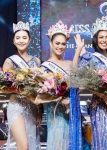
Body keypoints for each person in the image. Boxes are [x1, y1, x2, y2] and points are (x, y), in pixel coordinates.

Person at [36, 20, 84, 150]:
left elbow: (75, 78)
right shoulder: (44, 67)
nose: (60, 46)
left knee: (71, 142)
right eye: (57, 43)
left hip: (72, 110)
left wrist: (78, 49)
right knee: (57, 141)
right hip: (55, 111)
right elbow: (42, 93)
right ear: (51, 43)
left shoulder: (69, 63)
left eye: (63, 44)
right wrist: (58, 98)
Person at [79, 15, 107, 150]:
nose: (104, 40)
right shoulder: (89, 58)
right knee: (101, 143)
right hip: (99, 105)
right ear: (96, 39)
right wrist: (102, 95)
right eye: (101, 37)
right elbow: (82, 81)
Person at [3, 21, 41, 150]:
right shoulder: (9, 61)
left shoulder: (36, 61)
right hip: (16, 106)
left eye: (24, 37)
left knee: (30, 145)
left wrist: (39, 111)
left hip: (32, 106)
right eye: (18, 38)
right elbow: (6, 86)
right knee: (23, 146)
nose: (21, 41)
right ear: (13, 41)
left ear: (29, 40)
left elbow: (39, 88)